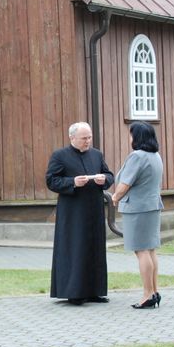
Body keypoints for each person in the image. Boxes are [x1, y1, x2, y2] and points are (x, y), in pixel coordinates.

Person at [45, 122, 114, 305]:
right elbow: (51, 181)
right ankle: (74, 292)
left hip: (94, 210)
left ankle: (95, 291)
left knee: (95, 249)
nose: (88, 141)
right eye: (84, 138)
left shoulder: (96, 155)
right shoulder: (60, 156)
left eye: (89, 137)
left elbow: (109, 175)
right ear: (72, 138)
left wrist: (104, 179)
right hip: (73, 212)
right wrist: (73, 182)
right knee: (75, 249)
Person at [111, 122, 165, 310]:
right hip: (152, 206)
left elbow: (126, 183)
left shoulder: (137, 156)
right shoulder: (155, 156)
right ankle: (154, 291)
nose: (130, 138)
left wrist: (115, 197)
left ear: (137, 137)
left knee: (141, 250)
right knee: (150, 250)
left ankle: (147, 294)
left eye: (131, 134)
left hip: (138, 209)